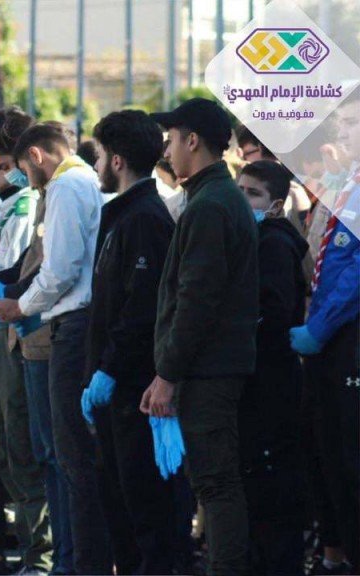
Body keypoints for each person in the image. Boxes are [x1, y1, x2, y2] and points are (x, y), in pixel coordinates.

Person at [145, 97, 258, 575]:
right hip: (208, 366)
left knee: (216, 484)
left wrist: (167, 374)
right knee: (212, 484)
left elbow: (197, 300)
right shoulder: (209, 199)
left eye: (171, 139)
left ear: (192, 141)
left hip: (209, 370)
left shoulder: (211, 205)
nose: (167, 150)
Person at [0, 122, 109, 574]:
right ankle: (68, 558)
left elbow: (59, 270)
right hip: (67, 321)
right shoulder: (79, 183)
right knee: (60, 454)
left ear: (36, 156)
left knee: (65, 456)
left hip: (71, 324)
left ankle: (72, 561)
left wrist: (20, 305)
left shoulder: (65, 186)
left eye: (22, 168)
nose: (24, 178)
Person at [82, 110, 179, 574]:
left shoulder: (144, 219)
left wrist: (109, 369)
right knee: (120, 505)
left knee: (144, 510)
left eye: (100, 156)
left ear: (117, 161)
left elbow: (140, 309)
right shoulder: (122, 215)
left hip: (133, 390)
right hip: (117, 390)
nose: (97, 165)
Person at [0, 107, 53, 574]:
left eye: (2, 164)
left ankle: (43, 553)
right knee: (5, 440)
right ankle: (31, 548)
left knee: (24, 444)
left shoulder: (28, 205)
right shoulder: (5, 206)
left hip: (22, 333)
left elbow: (15, 274)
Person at [291, 94, 360, 574]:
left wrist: (319, 326)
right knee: (329, 456)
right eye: (345, 123)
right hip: (332, 340)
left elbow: (356, 273)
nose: (345, 133)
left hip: (347, 339)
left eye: (354, 123)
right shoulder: (348, 186)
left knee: (351, 460)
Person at [236, 160, 308, 574]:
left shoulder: (274, 245)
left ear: (277, 205)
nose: (243, 200)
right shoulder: (256, 240)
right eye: (240, 191)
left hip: (271, 383)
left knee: (272, 492)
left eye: (254, 194)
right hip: (260, 380)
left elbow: (272, 314)